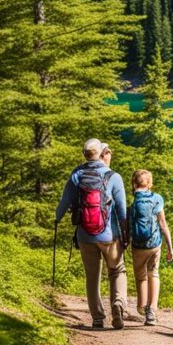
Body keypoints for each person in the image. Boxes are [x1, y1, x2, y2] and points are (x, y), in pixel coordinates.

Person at [56, 139, 128, 329]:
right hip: (109, 236)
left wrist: (57, 218)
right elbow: (122, 211)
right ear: (101, 153)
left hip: (85, 235)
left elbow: (65, 201)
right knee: (117, 270)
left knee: (92, 276)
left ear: (85, 154)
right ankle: (118, 304)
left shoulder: (77, 174)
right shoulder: (113, 176)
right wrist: (125, 234)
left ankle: (97, 317)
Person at [129, 169, 173, 326]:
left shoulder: (134, 203)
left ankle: (142, 307)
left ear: (134, 184)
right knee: (153, 274)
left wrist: (124, 243)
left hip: (138, 247)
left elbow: (128, 227)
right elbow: (163, 224)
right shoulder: (157, 199)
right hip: (155, 244)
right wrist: (170, 247)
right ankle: (152, 311)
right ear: (149, 183)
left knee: (141, 276)